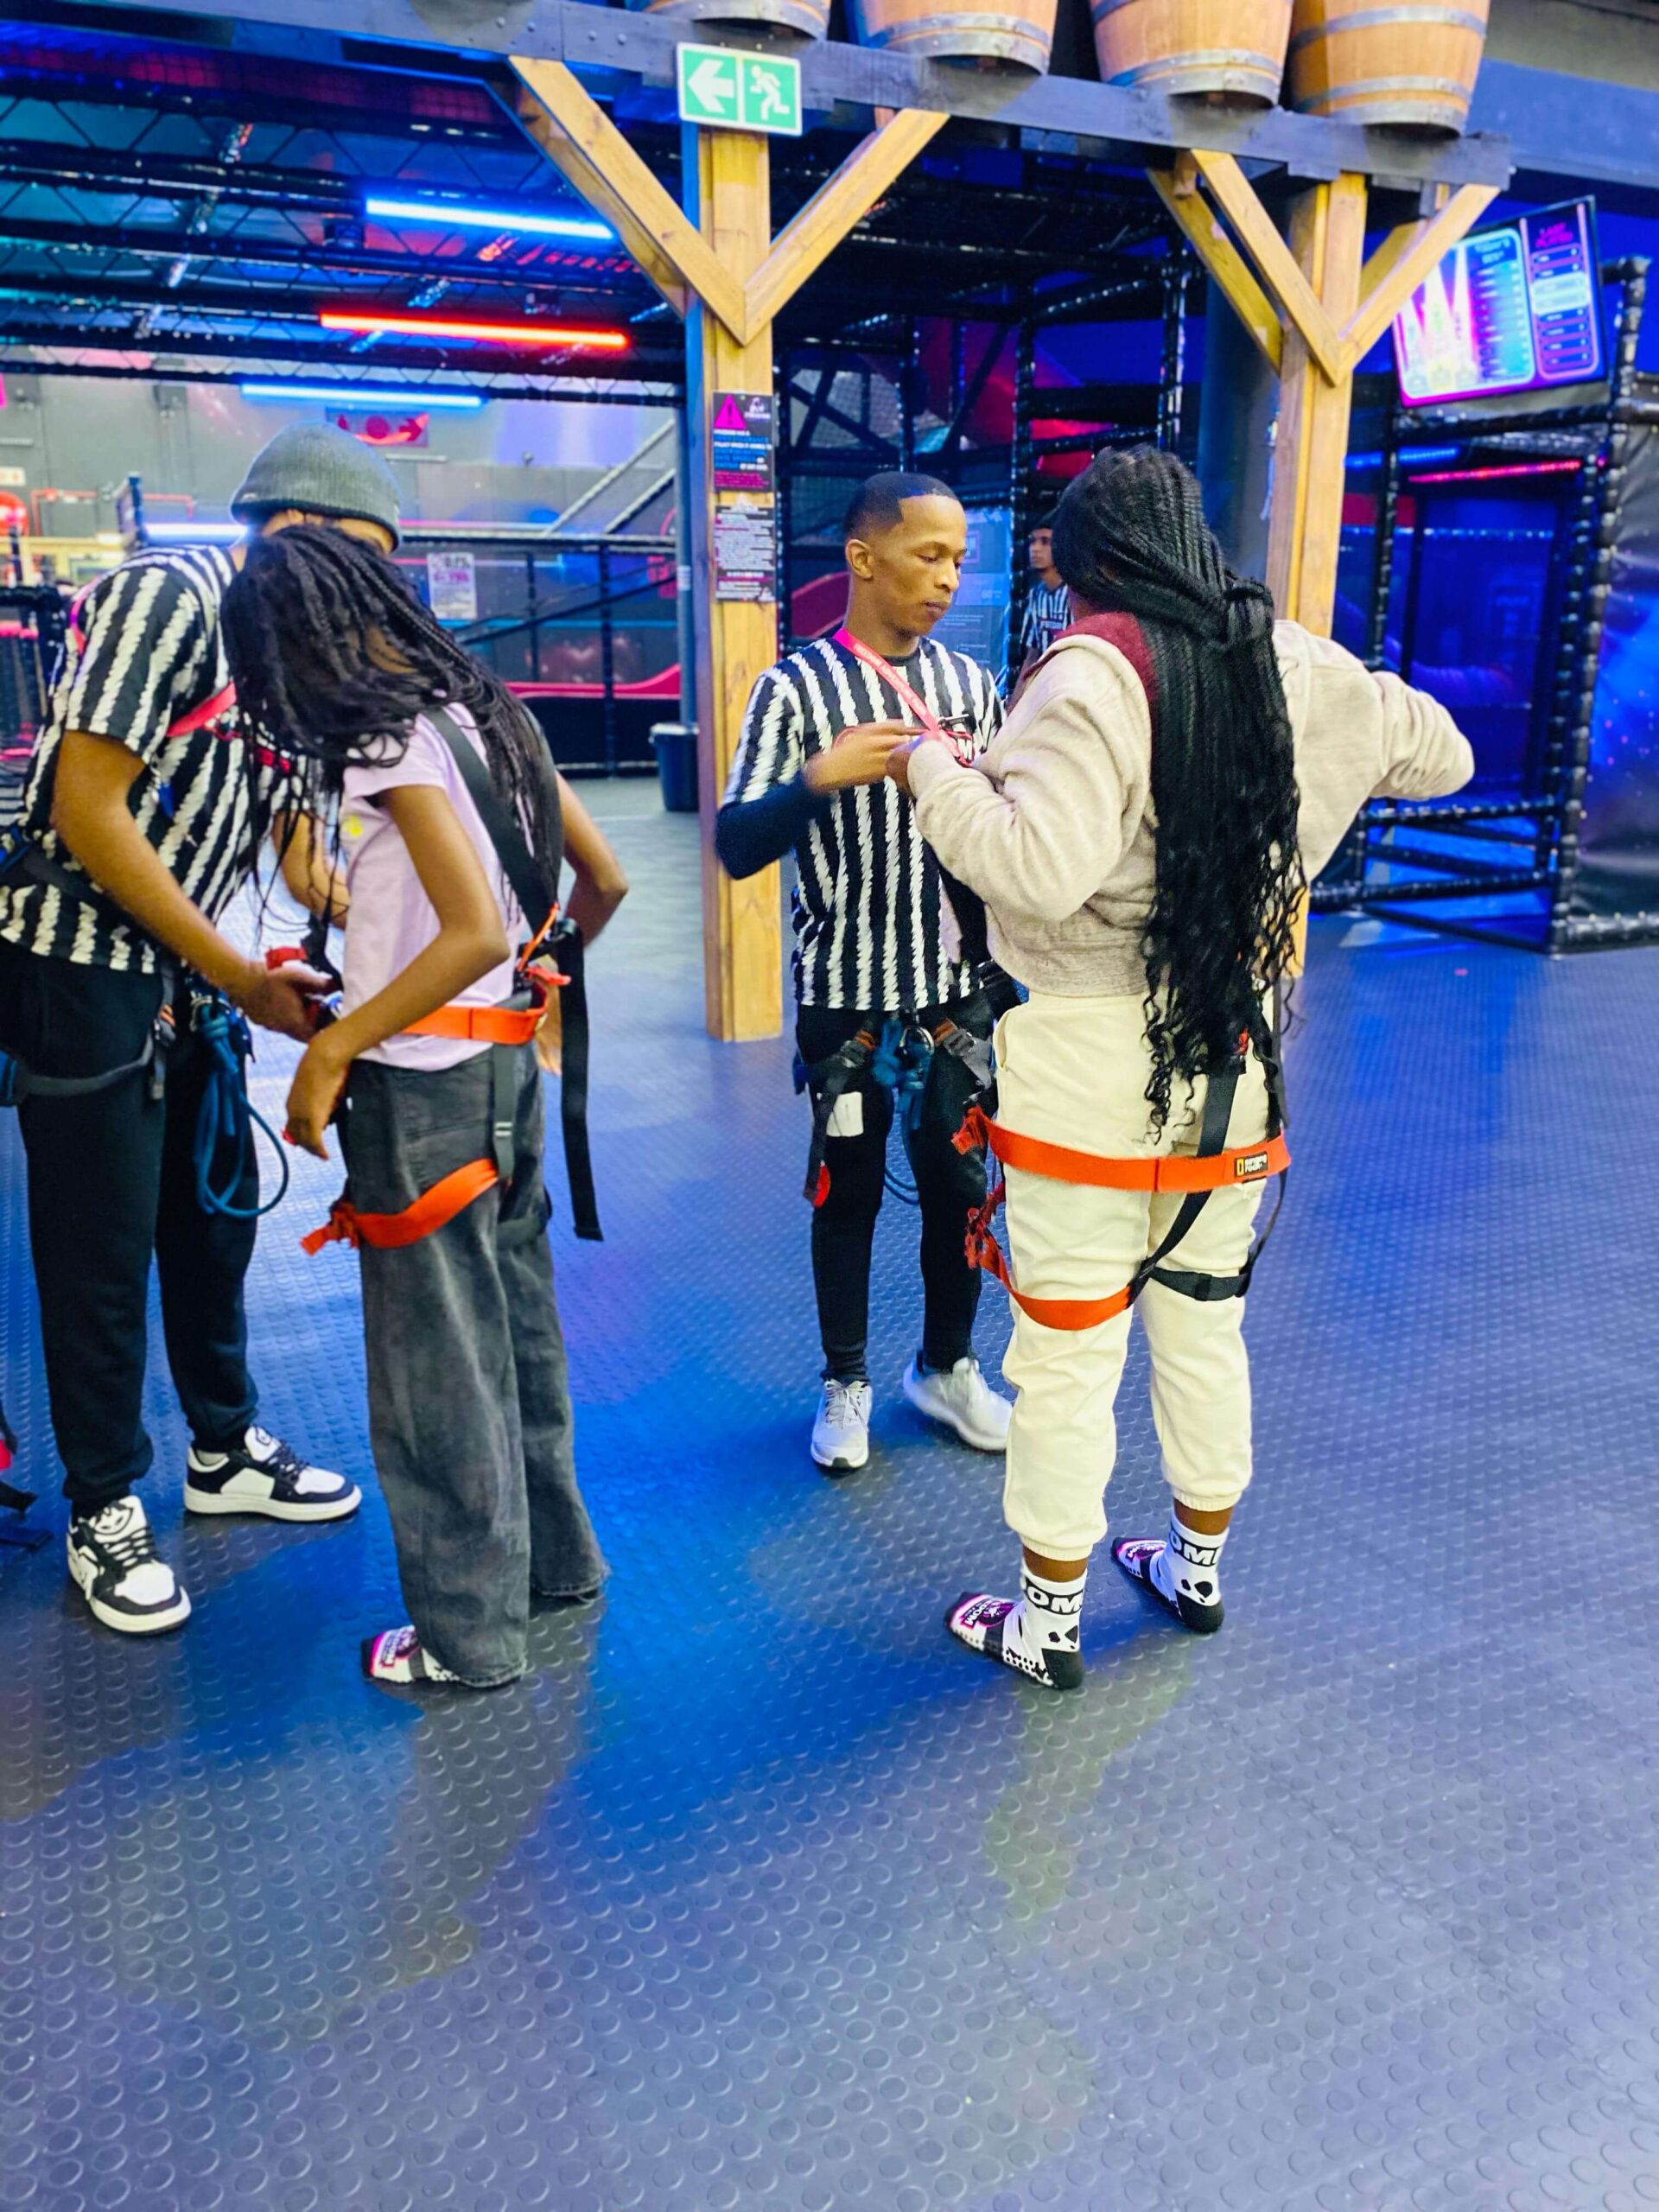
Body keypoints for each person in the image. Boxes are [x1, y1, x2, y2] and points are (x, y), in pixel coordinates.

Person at [888, 448, 1474, 1690]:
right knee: (1206, 1327)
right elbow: (1445, 756)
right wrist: (1327, 748)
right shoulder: (1293, 661)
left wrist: (932, 769)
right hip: (1234, 1054)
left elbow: (1036, 868)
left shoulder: (1089, 674)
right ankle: (1195, 1569)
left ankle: (1047, 1623)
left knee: (1067, 1349)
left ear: (1088, 567)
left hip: (1085, 1069)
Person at [0, 424, 404, 1637]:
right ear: (292, 531)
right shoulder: (168, 598)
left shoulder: (291, 653)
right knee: (101, 1246)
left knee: (211, 1220)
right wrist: (234, 969)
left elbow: (292, 836)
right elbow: (88, 807)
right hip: (82, 965)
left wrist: (374, 917)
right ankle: (103, 1502)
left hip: (187, 975)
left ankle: (221, 1452)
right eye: (363, 561)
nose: (370, 595)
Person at [222, 525, 626, 1689]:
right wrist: (525, 987)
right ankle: (556, 1564)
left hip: (421, 1093)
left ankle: (466, 1635)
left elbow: (468, 930)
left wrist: (336, 1045)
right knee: (516, 1327)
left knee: (433, 1365)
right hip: (505, 1074)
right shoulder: (492, 714)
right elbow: (600, 882)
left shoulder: (381, 738)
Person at [715, 471, 1013, 1476]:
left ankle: (948, 1365)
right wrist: (817, 778)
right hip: (844, 1002)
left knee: (959, 1187)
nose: (948, 577)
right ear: (863, 557)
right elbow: (737, 844)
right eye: (929, 554)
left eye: (958, 559)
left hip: (954, 996)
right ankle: (845, 1380)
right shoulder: (793, 689)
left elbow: (1006, 832)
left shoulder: (972, 689)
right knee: (844, 1192)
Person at [1011, 518, 1070, 690]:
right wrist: (1016, 699)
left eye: (1045, 542)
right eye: (1032, 541)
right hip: (1044, 686)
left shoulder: (1075, 596)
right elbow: (1032, 654)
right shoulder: (1036, 594)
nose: (1035, 549)